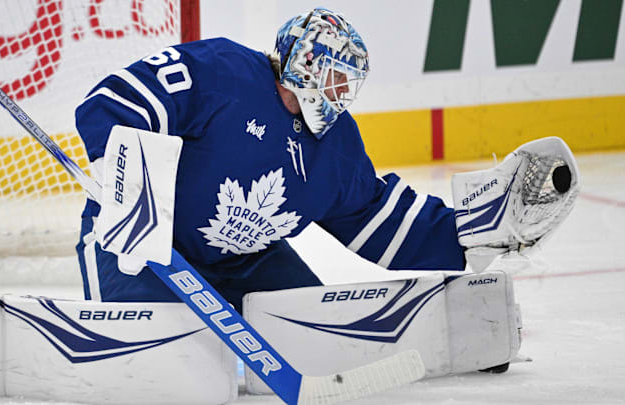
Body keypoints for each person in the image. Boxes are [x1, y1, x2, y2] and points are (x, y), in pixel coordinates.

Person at [74, 7, 467, 313]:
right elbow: (116, 100)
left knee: (318, 331)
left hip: (244, 261)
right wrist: (121, 180)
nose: (343, 91)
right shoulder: (221, 70)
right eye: (337, 76)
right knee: (162, 355)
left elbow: (375, 215)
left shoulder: (336, 142)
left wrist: (468, 233)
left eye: (350, 83)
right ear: (307, 63)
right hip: (140, 243)